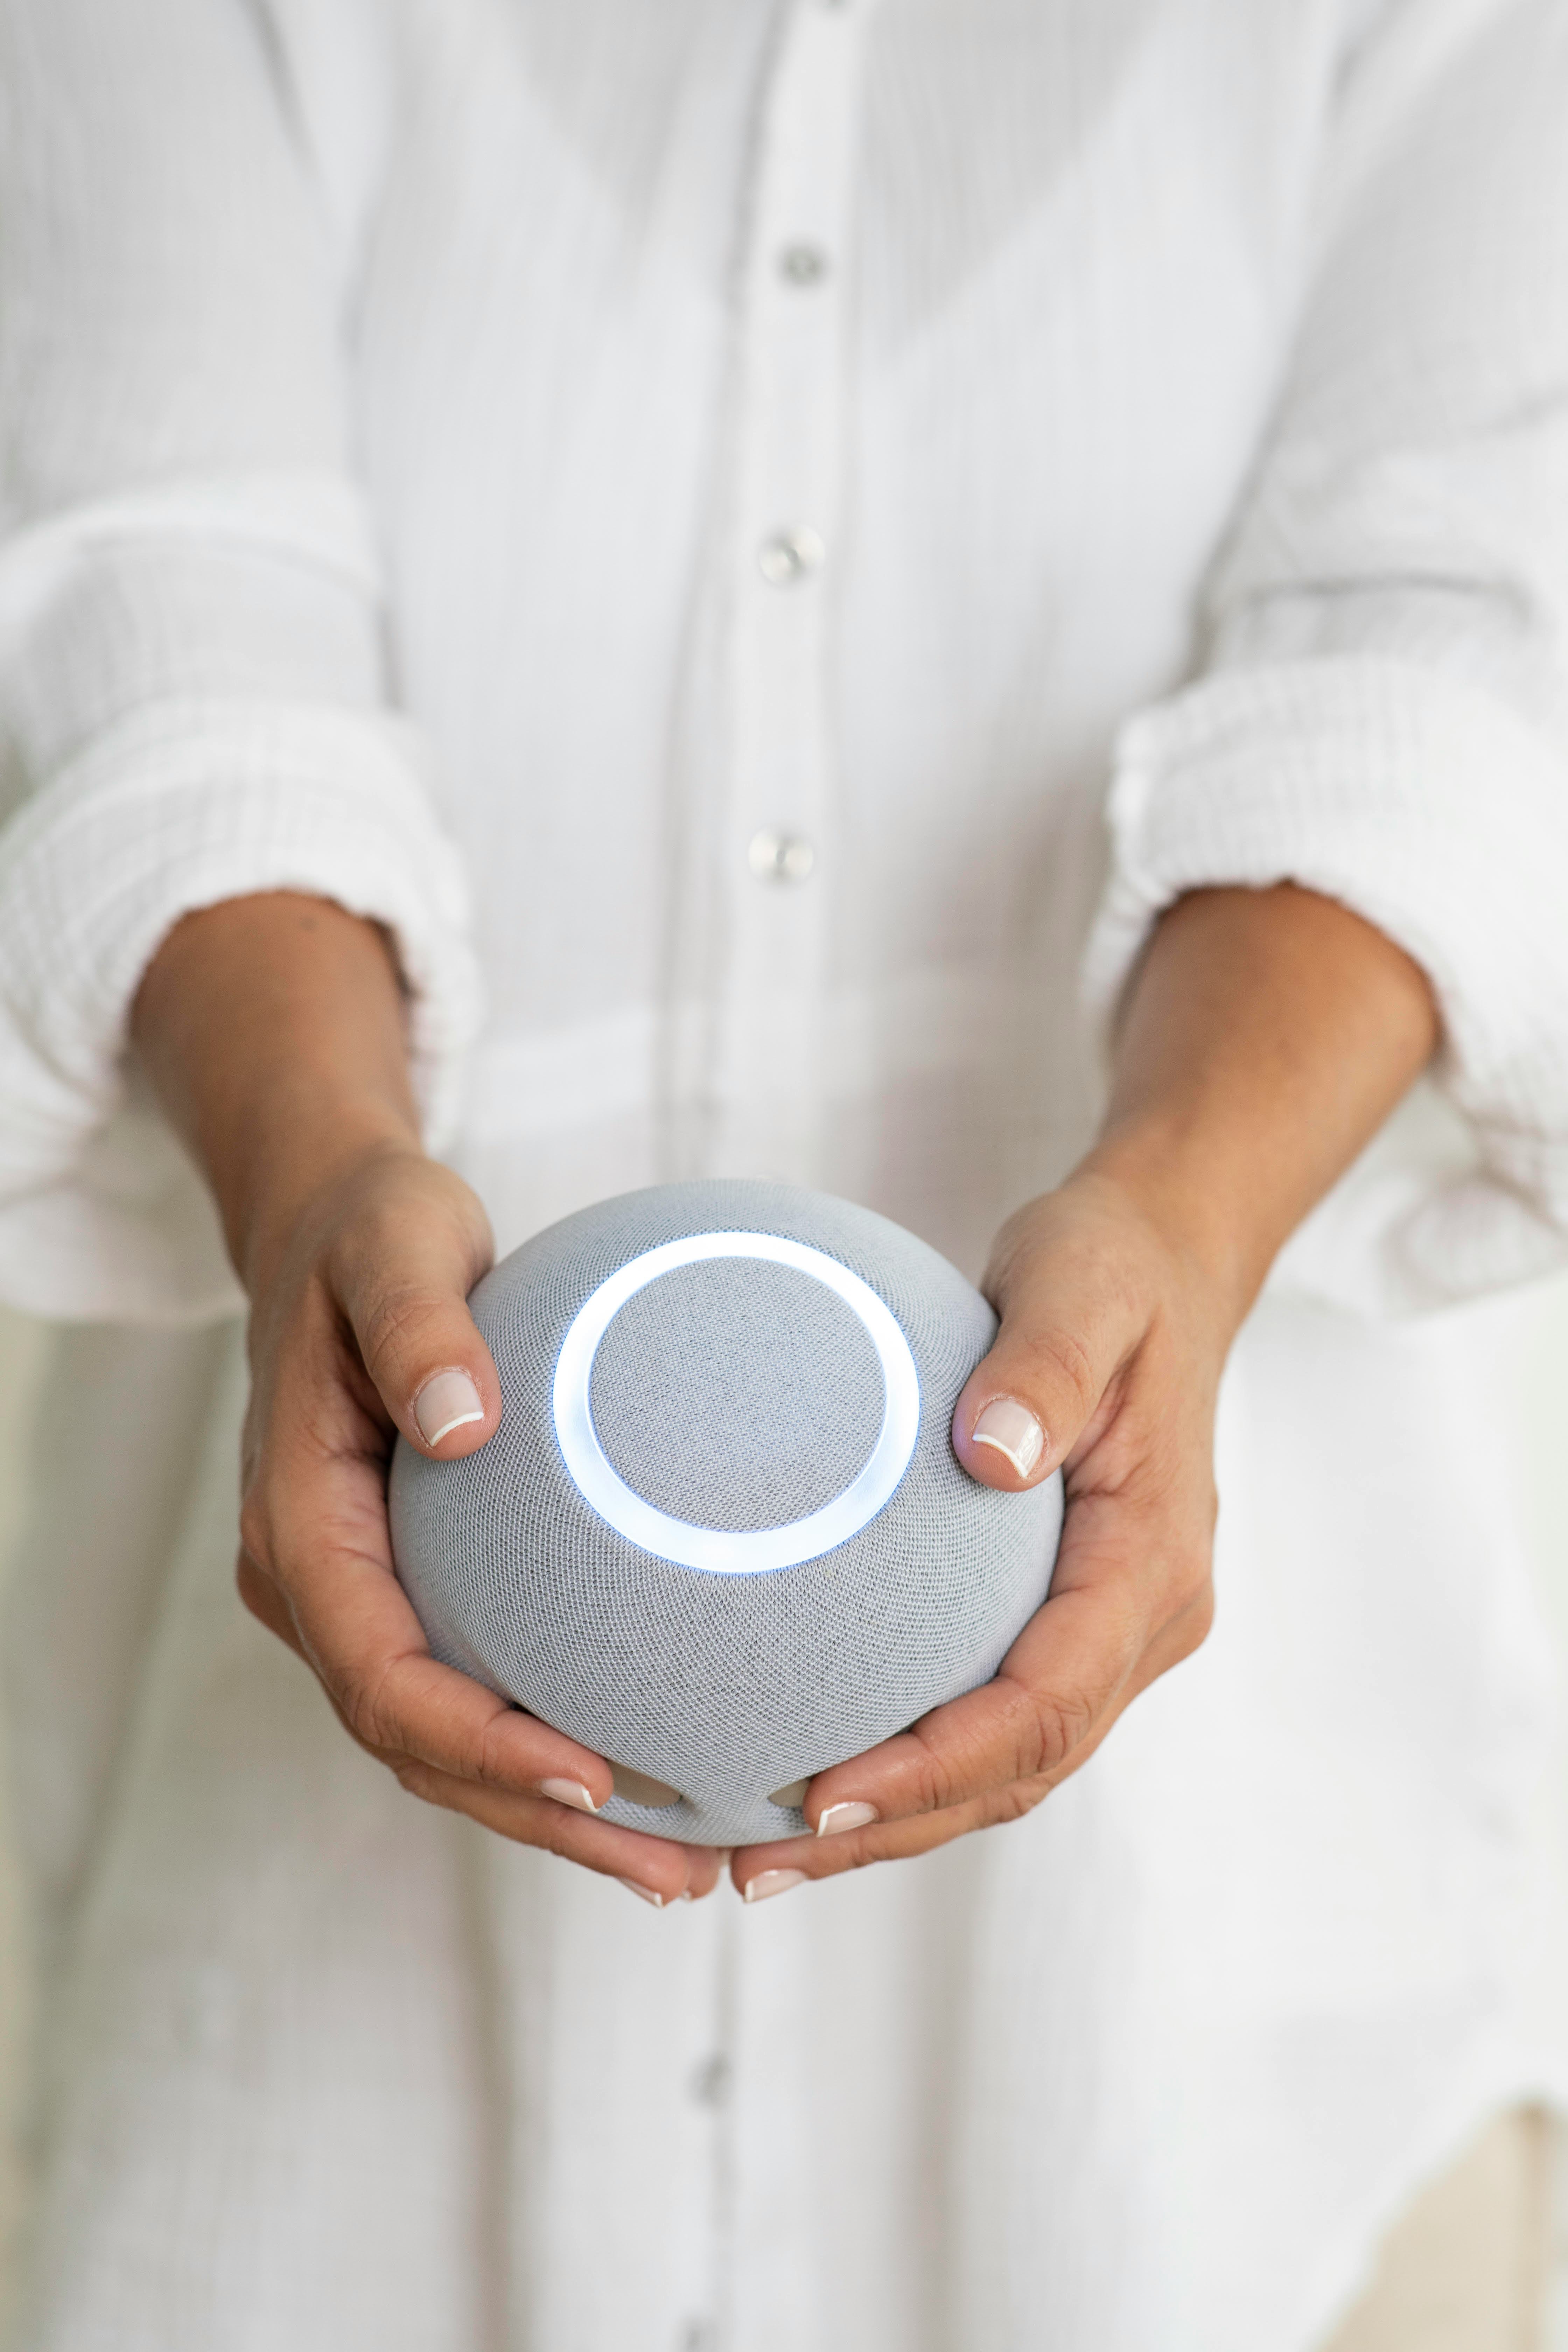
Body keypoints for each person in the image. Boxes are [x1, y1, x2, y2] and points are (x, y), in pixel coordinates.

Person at [0, 0, 1566, 2345]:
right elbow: (159, 595)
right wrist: (312, 1159)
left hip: (1226, 2061)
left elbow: (1459, 636)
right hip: (312, 2064)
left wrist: (1186, 1208)